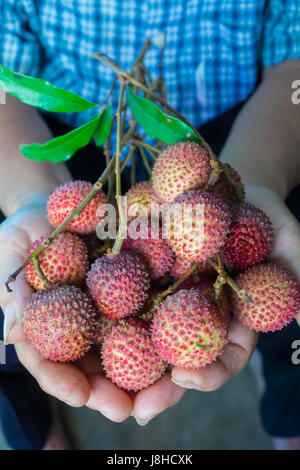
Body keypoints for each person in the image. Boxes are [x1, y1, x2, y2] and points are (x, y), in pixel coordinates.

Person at [0, 0, 300, 450]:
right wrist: (29, 198)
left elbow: (291, 71)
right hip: (55, 139)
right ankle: (34, 433)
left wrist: (262, 180)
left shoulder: (193, 230)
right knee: (7, 331)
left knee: (290, 331)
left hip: (240, 136)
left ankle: (290, 417)